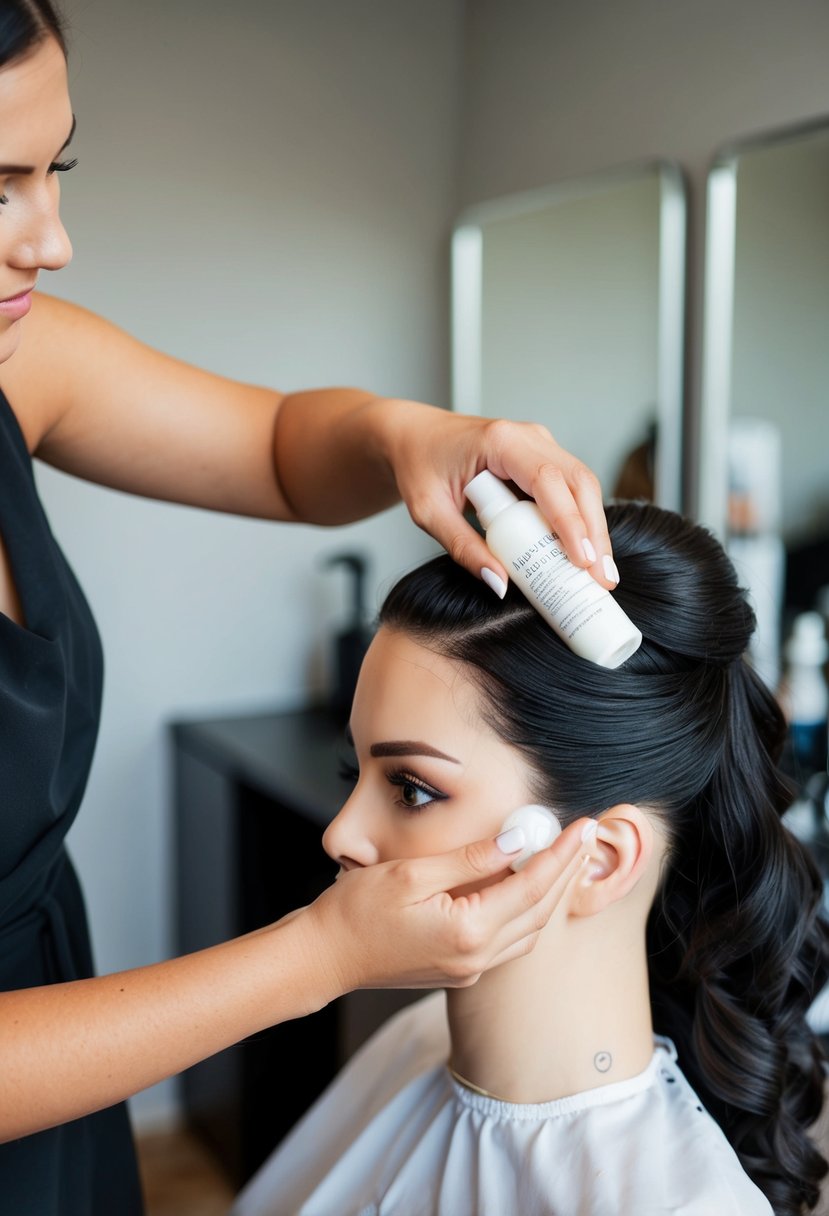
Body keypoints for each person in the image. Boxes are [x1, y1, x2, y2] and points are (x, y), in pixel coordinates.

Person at [0, 2, 619, 1212]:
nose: (54, 239)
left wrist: (414, 434)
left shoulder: (19, 367)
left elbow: (286, 455)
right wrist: (321, 954)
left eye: (53, 170)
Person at [231, 501, 829, 1216]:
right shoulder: (414, 1041)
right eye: (350, 774)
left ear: (599, 861)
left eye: (412, 789)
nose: (339, 835)